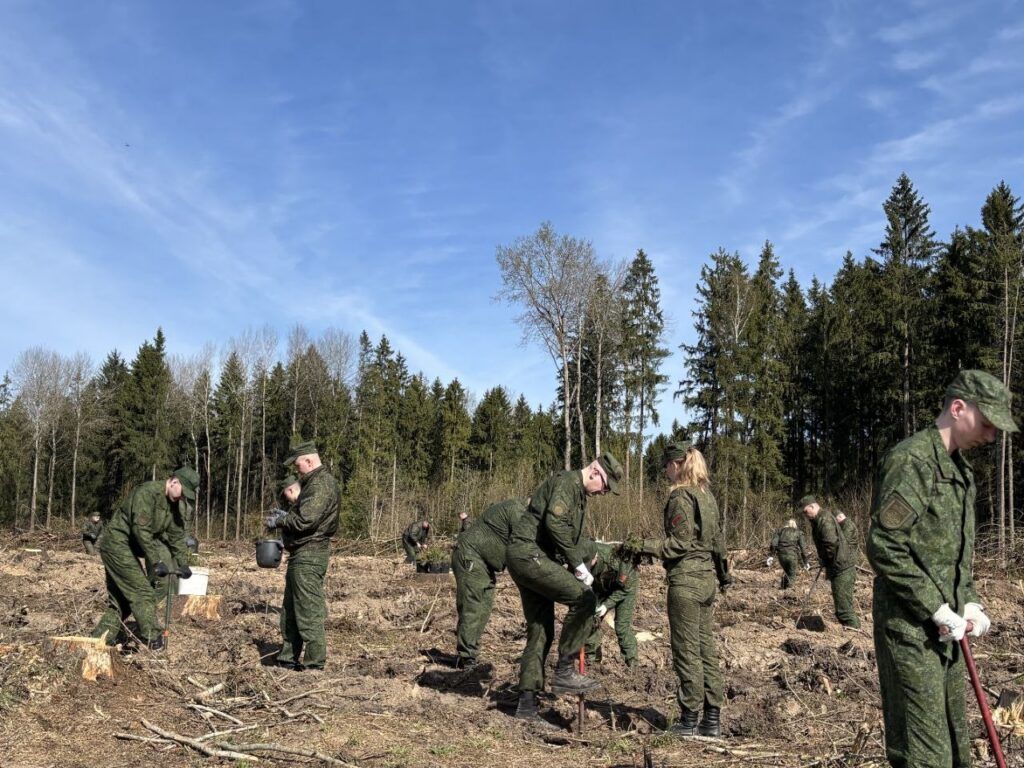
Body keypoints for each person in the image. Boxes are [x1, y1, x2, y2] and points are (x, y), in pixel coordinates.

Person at [868, 370, 1015, 768]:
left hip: (947, 632)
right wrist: (935, 606)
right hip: (910, 630)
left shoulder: (960, 472)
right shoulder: (913, 461)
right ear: (957, 408)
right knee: (924, 753)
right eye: (986, 424)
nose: (990, 436)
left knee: (954, 747)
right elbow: (884, 545)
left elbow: (955, 555)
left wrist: (969, 602)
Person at [506, 452, 623, 723]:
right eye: (604, 486)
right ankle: (565, 668)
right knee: (584, 598)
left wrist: (577, 558)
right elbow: (554, 523)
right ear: (595, 472)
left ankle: (526, 704)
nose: (603, 493)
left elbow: (567, 536)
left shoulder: (578, 495)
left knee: (541, 629)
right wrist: (577, 566)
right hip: (529, 555)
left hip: (530, 557)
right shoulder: (568, 483)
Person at [633, 442, 730, 738]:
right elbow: (718, 543)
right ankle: (711, 719)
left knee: (686, 652)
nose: (664, 471)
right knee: (706, 650)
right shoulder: (708, 497)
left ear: (677, 465)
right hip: (707, 581)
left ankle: (688, 719)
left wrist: (643, 546)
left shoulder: (681, 497)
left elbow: (679, 544)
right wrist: (724, 575)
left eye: (666, 466)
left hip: (686, 581)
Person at [91, 467, 198, 649]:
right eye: (182, 492)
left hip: (130, 549)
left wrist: (184, 564)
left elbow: (176, 537)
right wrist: (156, 561)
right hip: (117, 544)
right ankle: (153, 638)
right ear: (174, 482)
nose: (182, 498)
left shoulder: (172, 506)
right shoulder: (147, 492)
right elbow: (142, 530)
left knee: (122, 603)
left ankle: (97, 642)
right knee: (143, 592)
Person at [265, 440, 339, 671]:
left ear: (309, 460)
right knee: (290, 610)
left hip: (310, 554)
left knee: (307, 609)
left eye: (298, 465)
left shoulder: (322, 484)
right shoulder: (312, 484)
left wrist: (280, 520)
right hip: (300, 554)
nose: (297, 470)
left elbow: (307, 520)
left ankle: (314, 662)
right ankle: (287, 658)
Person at [451, 497, 529, 668]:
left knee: (484, 609)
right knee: (472, 607)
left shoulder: (521, 512)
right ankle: (467, 656)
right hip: (471, 557)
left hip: (486, 565)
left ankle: (469, 652)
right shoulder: (516, 510)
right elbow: (525, 542)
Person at [800, 495, 860, 628]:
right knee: (843, 606)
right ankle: (852, 632)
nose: (805, 515)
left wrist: (826, 559)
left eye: (806, 511)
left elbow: (830, 543)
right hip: (838, 566)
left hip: (842, 567)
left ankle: (854, 637)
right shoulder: (818, 520)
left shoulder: (824, 519)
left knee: (844, 610)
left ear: (812, 506)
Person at [584, 541, 639, 668]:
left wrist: (606, 605)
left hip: (625, 588)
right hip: (599, 585)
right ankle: (593, 662)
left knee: (621, 626)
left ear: (596, 556)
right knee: (591, 619)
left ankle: (632, 663)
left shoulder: (620, 562)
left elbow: (625, 589)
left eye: (590, 563)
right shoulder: (580, 554)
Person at [767, 519, 809, 589]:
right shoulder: (798, 532)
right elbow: (803, 548)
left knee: (786, 571)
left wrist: (771, 556)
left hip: (781, 556)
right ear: (795, 525)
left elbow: (773, 544)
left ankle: (783, 587)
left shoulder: (779, 531)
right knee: (792, 574)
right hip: (792, 556)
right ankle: (789, 591)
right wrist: (806, 562)